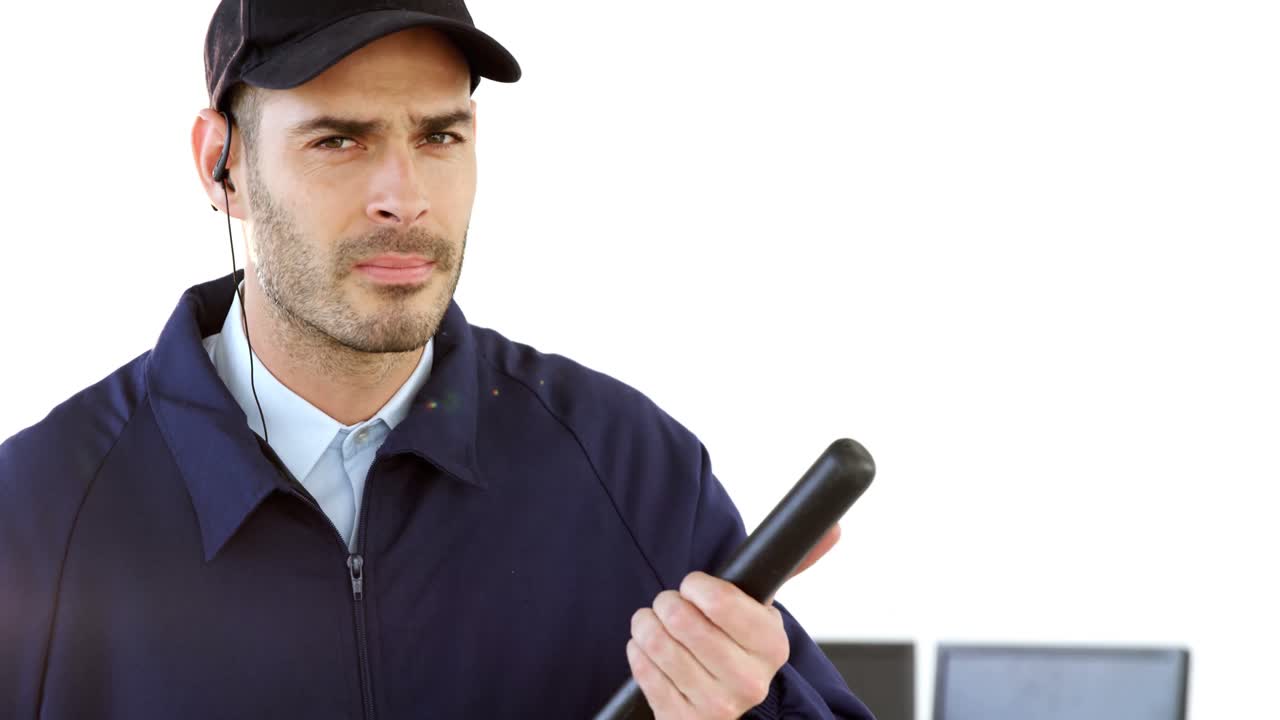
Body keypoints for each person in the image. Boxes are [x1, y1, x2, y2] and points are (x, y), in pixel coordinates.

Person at [0, 1, 872, 718]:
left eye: (440, 136)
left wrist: (763, 709)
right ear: (220, 165)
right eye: (338, 140)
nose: (403, 197)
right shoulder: (33, 520)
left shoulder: (630, 469)